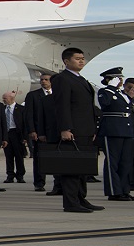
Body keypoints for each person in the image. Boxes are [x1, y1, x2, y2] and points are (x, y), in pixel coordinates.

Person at [51, 47, 104, 213]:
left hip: (85, 129)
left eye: (82, 58)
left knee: (83, 168)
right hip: (73, 130)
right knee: (72, 168)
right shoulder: (62, 79)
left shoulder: (81, 79)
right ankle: (71, 203)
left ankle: (81, 198)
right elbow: (62, 105)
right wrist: (65, 128)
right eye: (77, 58)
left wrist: (93, 127)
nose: (81, 61)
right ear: (66, 61)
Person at [95, 67, 133, 201]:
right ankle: (114, 191)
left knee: (125, 162)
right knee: (113, 162)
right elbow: (105, 104)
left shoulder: (122, 94)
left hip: (126, 130)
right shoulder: (104, 91)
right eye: (117, 78)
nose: (120, 80)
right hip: (112, 130)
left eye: (121, 78)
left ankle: (124, 190)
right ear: (109, 79)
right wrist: (110, 87)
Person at [23, 73, 54, 191]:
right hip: (39, 131)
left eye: (46, 80)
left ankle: (58, 183)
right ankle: (39, 183)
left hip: (54, 131)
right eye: (42, 80)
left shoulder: (57, 94)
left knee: (56, 158)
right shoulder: (33, 95)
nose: (43, 81)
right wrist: (32, 130)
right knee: (39, 158)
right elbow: (29, 114)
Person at [0, 91, 27, 185]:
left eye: (5, 98)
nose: (3, 100)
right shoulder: (2, 109)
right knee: (9, 156)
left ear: (12, 98)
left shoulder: (21, 109)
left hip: (17, 133)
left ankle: (20, 175)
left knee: (19, 156)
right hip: (7, 134)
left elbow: (25, 124)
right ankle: (10, 175)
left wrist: (25, 137)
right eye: (3, 98)